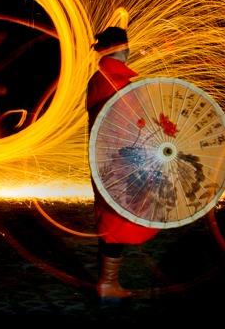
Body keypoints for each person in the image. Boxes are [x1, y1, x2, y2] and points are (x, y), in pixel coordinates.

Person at [87, 26, 158, 300]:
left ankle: (107, 282)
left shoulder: (99, 79)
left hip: (104, 160)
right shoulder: (119, 84)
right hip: (121, 163)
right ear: (124, 49)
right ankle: (107, 285)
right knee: (117, 222)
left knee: (110, 220)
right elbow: (132, 127)